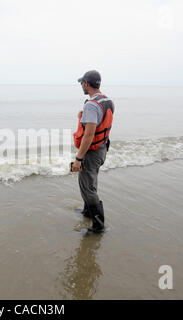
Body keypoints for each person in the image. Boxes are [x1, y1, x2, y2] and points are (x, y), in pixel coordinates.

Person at [72, 70, 114, 233]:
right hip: (102, 148)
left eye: (82, 83)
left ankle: (98, 226)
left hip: (91, 152)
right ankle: (87, 212)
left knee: (87, 186)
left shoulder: (91, 105)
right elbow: (101, 122)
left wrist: (78, 159)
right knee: (90, 182)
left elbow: (89, 135)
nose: (81, 85)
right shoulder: (107, 100)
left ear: (87, 84)